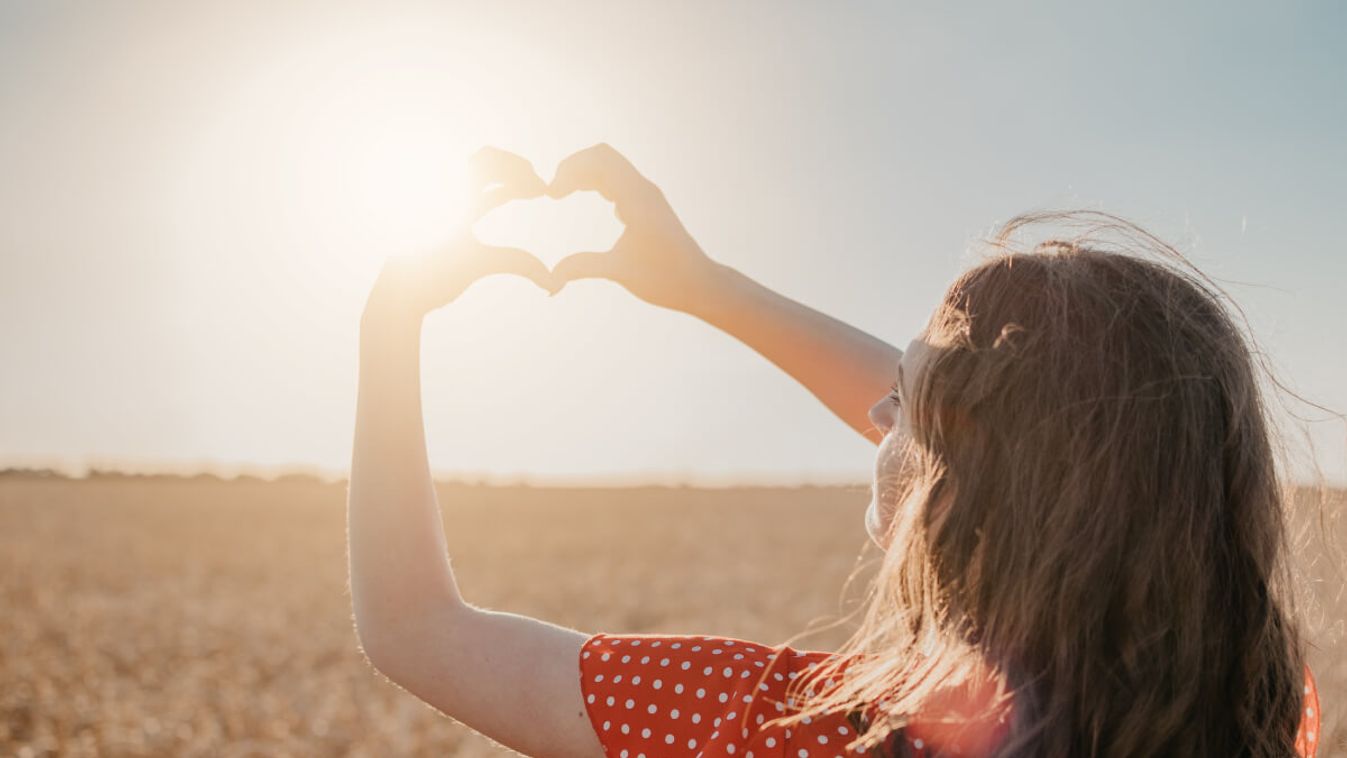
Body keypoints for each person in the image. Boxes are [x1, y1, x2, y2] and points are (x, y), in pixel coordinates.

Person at [347, 144, 1321, 757]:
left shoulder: (791, 724)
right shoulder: (1260, 705)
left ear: (959, 496)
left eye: (900, 403)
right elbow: (1008, 430)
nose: (876, 414)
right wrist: (705, 285)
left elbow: (415, 626)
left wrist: (390, 320)